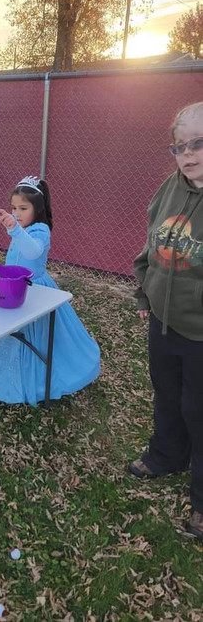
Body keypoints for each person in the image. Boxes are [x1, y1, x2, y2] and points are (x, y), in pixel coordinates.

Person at [130, 102, 203, 540]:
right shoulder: (169, 188)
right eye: (179, 146)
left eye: (199, 143)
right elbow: (152, 241)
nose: (188, 154)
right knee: (168, 394)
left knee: (200, 408)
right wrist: (146, 291)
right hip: (163, 321)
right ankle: (166, 455)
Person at [0, 175, 101, 405]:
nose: (16, 213)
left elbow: (31, 252)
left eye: (23, 208)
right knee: (6, 328)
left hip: (35, 290)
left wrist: (14, 230)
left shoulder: (39, 230)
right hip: (12, 287)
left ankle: (33, 377)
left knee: (36, 332)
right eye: (13, 208)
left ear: (37, 209)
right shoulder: (22, 227)